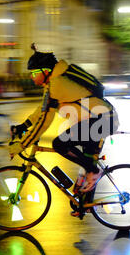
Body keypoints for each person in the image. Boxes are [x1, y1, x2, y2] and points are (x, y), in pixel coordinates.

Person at [9, 44, 119, 197]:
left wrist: (22, 145)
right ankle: (86, 204)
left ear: (45, 71)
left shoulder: (57, 84)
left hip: (102, 121)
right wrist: (24, 126)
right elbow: (42, 109)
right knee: (86, 162)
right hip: (98, 119)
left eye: (34, 73)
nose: (31, 76)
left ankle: (94, 171)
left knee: (60, 144)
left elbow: (45, 120)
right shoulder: (53, 82)